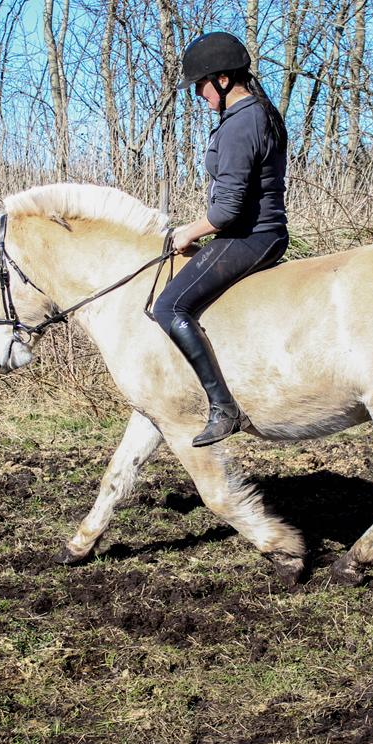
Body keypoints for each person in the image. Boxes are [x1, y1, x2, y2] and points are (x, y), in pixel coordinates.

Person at [152, 31, 290, 447]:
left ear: (225, 79)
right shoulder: (254, 115)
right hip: (256, 233)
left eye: (201, 84)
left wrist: (187, 232)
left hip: (250, 235)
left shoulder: (241, 124)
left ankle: (222, 406)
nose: (198, 93)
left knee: (169, 306)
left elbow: (227, 210)